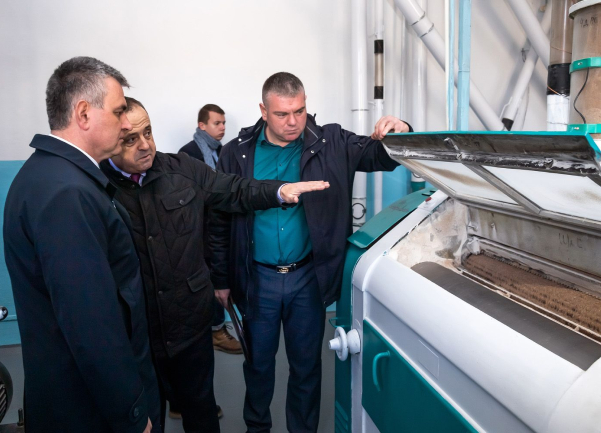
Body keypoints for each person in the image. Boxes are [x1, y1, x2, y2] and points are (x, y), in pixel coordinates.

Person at [99, 97, 329, 433]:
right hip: (136, 334)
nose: (145, 145)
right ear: (108, 138)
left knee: (201, 415)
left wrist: (279, 191)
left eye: (148, 132)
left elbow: (234, 190)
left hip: (188, 327)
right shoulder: (96, 186)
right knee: (145, 418)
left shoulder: (182, 169)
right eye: (130, 139)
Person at [210, 72, 412, 433]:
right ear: (263, 111)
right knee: (257, 366)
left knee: (306, 367)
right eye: (282, 114)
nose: (293, 122)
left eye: (300, 111)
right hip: (257, 279)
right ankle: (257, 428)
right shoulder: (236, 153)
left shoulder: (330, 142)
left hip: (307, 278)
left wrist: (401, 129)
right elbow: (219, 218)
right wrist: (221, 279)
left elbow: (382, 155)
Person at [3, 57, 160, 433]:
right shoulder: (67, 194)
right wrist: (132, 414)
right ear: (84, 113)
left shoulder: (51, 175)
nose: (127, 124)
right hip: (90, 411)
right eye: (119, 111)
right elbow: (91, 325)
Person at [179, 104, 242, 356]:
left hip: (220, 224)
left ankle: (220, 327)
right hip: (201, 229)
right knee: (210, 279)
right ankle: (216, 331)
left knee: (221, 274)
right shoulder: (189, 153)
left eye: (224, 123)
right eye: (217, 123)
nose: (223, 128)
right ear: (202, 125)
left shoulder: (223, 151)